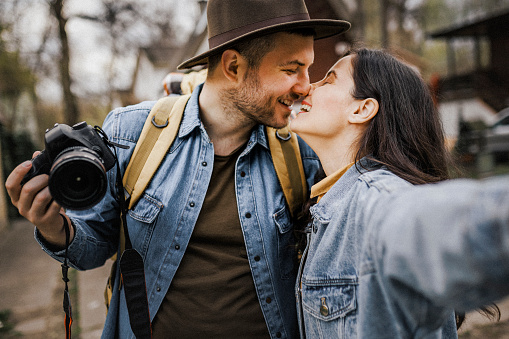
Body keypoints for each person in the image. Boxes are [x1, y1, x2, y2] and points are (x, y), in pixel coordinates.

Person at [5, 0, 351, 338]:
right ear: (233, 67)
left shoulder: (302, 152)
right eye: (292, 69)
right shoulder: (131, 134)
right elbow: (92, 248)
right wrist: (51, 224)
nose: (306, 85)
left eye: (307, 68)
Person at [289, 48, 509, 338]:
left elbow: (447, 224)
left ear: (361, 109)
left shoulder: (376, 199)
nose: (307, 86)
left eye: (328, 79)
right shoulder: (327, 204)